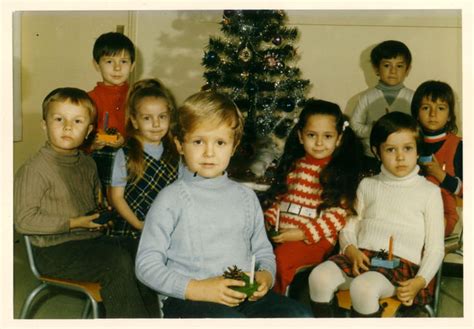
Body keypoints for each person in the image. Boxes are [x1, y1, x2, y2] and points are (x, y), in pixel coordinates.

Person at [135, 91, 312, 318]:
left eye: (220, 142)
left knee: (298, 315)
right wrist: (197, 289)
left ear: (234, 145)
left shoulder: (246, 198)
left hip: (241, 297)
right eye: (198, 141)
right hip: (187, 301)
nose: (209, 152)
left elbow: (262, 250)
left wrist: (265, 276)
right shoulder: (170, 199)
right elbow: (146, 266)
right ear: (180, 144)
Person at [14, 87, 149, 318]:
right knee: (116, 262)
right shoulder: (34, 170)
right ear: (44, 125)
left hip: (88, 241)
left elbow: (92, 204)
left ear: (88, 131)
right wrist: (75, 222)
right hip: (52, 251)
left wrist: (100, 216)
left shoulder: (88, 164)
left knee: (142, 250)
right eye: (59, 119)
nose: (67, 127)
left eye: (77, 121)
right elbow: (24, 221)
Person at [308, 112, 444, 317]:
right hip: (361, 257)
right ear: (376, 152)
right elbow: (349, 226)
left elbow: (435, 248)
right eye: (390, 149)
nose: (400, 157)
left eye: (407, 148)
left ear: (417, 151)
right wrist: (350, 249)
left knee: (364, 288)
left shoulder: (430, 192)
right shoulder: (367, 184)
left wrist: (420, 281)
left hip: (400, 265)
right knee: (319, 276)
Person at [261, 99, 365, 295]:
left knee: (280, 259)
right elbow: (277, 200)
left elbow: (336, 218)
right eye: (311, 135)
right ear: (300, 136)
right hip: (283, 234)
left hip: (316, 240)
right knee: (258, 254)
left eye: (327, 136)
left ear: (339, 139)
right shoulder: (293, 166)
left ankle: (275, 305)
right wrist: (271, 221)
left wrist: (302, 234)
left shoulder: (338, 173)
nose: (319, 143)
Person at [109, 78, 179, 252]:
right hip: (132, 229)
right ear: (134, 121)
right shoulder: (125, 154)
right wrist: (139, 225)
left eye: (162, 117)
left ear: (169, 117)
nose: (156, 124)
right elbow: (117, 197)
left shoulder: (174, 152)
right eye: (147, 118)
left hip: (165, 229)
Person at [350, 40, 414, 173]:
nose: (393, 71)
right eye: (386, 65)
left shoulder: (413, 98)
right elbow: (354, 126)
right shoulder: (366, 97)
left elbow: (419, 128)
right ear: (376, 68)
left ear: (407, 69)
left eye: (399, 66)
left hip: (404, 159)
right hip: (371, 158)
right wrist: (374, 129)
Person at [87, 32, 136, 200]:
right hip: (101, 164)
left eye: (123, 61)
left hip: (132, 162)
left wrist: (127, 141)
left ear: (133, 65)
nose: (117, 68)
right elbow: (79, 139)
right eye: (109, 61)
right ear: (96, 65)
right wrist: (92, 145)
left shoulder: (138, 97)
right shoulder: (88, 100)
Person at [411, 80, 462, 236]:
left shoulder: (458, 145)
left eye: (440, 108)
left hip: (443, 211)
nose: (433, 114)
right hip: (411, 208)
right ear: (417, 114)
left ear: (449, 116)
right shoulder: (409, 142)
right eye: (426, 108)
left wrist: (440, 174)